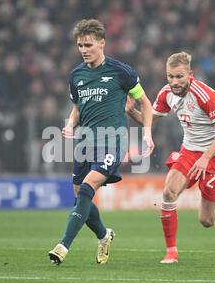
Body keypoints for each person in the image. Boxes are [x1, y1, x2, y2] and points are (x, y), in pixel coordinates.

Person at [48, 19, 154, 265]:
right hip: (85, 144)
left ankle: (63, 246)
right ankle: (104, 235)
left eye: (88, 44)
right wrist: (69, 124)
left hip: (113, 142)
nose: (84, 50)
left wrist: (147, 132)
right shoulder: (76, 76)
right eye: (79, 45)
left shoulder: (121, 72)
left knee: (87, 187)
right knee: (80, 199)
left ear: (102, 43)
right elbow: (77, 108)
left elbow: (145, 104)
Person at [126, 51, 215, 264]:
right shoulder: (166, 93)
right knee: (169, 192)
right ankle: (171, 252)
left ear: (190, 74)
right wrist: (132, 112)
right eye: (170, 76)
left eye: (179, 76)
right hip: (190, 149)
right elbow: (150, 121)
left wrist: (206, 157)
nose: (174, 82)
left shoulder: (205, 95)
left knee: (206, 221)